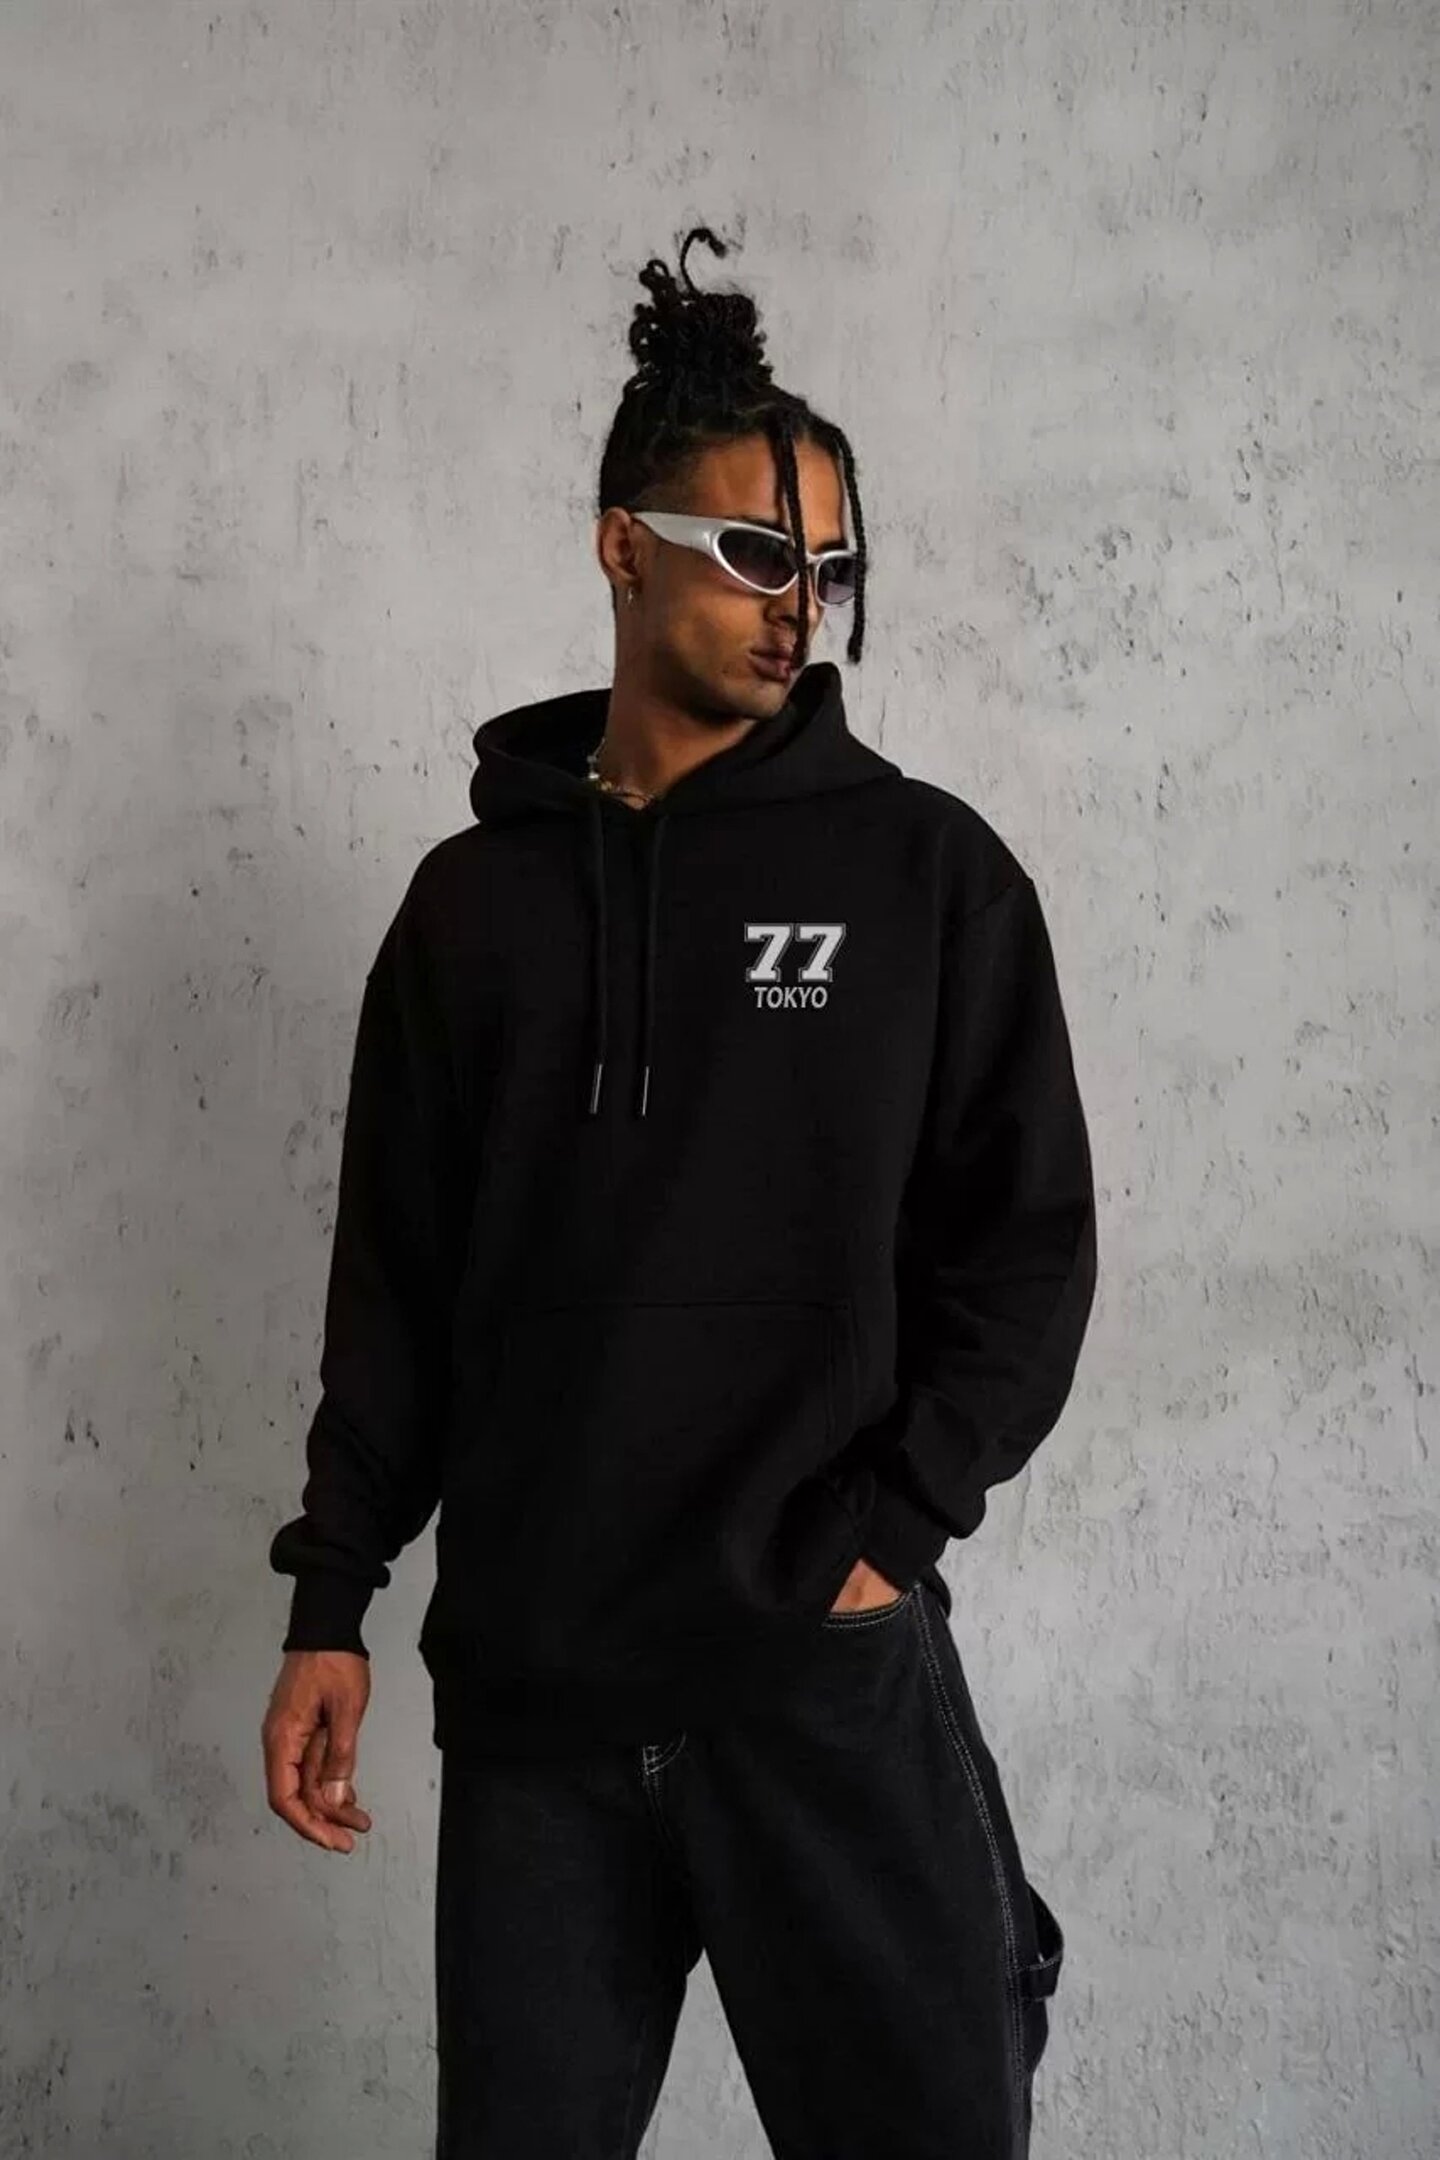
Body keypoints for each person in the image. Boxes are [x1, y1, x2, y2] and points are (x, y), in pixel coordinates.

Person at [262, 223, 1097, 2158]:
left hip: (819, 1678)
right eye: (753, 554)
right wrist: (331, 1601)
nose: (801, 606)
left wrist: (885, 1536)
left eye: (830, 569)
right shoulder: (472, 910)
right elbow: (395, 1292)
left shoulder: (927, 879)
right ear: (620, 546)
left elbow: (1027, 1257)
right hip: (540, 1708)